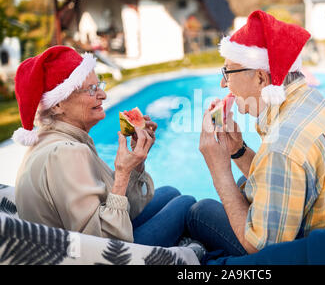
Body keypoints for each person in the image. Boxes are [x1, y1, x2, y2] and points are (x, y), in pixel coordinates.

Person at [188, 10, 325, 256]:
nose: (223, 84)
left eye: (227, 73)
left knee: (198, 212)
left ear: (260, 78)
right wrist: (238, 150)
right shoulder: (312, 103)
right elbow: (284, 181)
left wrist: (219, 171)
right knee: (236, 191)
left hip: (318, 257)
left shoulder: (283, 146)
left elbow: (262, 248)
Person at [13, 46, 196, 247]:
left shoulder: (56, 140)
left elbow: (118, 209)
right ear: (57, 104)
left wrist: (135, 164)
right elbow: (101, 244)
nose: (103, 95)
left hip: (80, 246)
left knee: (170, 192)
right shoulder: (67, 152)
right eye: (91, 89)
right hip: (91, 257)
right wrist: (122, 173)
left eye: (98, 85)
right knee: (186, 204)